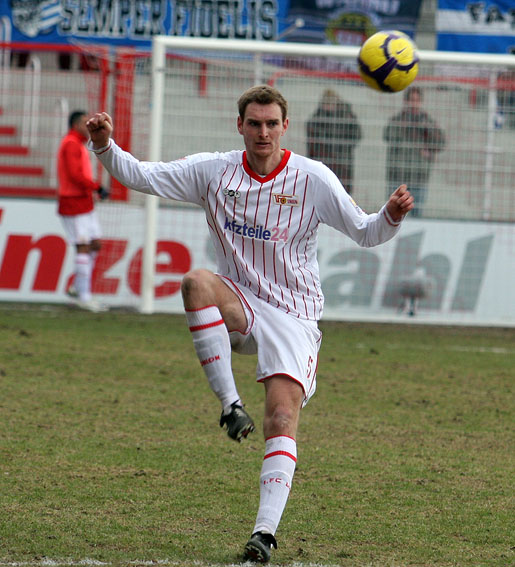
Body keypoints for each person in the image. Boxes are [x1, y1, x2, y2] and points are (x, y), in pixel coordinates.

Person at [86, 85, 413, 563]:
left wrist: (391, 215)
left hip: (295, 316)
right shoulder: (214, 171)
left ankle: (263, 534)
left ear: (285, 127)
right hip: (241, 303)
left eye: (271, 124)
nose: (263, 132)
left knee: (281, 419)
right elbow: (144, 175)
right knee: (196, 282)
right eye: (254, 123)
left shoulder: (313, 178)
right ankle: (230, 406)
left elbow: (366, 232)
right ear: (239, 126)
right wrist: (103, 146)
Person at [57, 110, 110, 313]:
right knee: (83, 246)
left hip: (84, 202)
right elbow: (75, 175)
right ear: (75, 124)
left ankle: (78, 287)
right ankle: (83, 296)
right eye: (84, 122)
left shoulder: (78, 143)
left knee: (95, 244)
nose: (88, 126)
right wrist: (96, 187)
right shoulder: (71, 143)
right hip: (73, 202)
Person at [383, 86, 445, 217]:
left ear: (421, 102)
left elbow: (440, 143)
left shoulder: (427, 121)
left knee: (416, 215)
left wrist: (426, 131)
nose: (414, 104)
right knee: (393, 216)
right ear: (405, 102)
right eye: (411, 100)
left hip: (419, 176)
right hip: (398, 177)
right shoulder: (397, 120)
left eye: (416, 100)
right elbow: (388, 135)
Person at [306, 89, 362, 194]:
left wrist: (343, 146)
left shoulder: (347, 115)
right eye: (325, 103)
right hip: (325, 161)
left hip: (342, 162)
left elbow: (357, 135)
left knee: (342, 192)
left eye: (329, 103)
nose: (327, 106)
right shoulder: (318, 116)